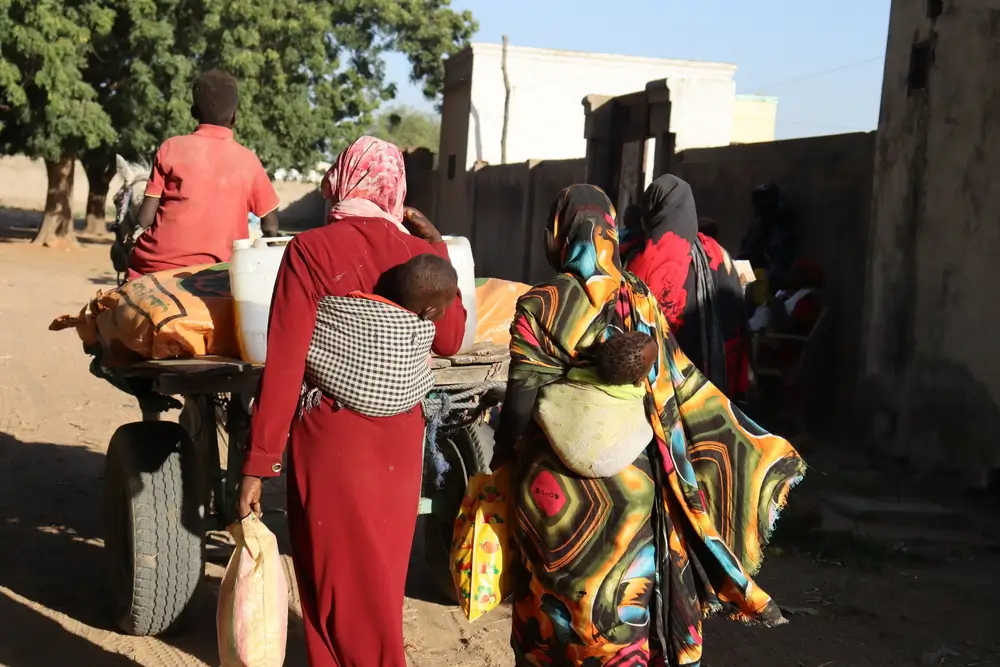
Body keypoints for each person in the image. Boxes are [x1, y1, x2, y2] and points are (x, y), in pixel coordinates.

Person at [492, 184, 805, 666]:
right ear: (609, 231)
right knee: (624, 590)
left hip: (551, 484)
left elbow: (519, 400)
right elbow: (669, 377)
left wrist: (503, 459)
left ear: (558, 233)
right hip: (634, 474)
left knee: (550, 597)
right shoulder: (638, 295)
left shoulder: (542, 302)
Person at [236, 136, 466, 667]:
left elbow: (286, 363)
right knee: (380, 579)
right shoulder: (419, 253)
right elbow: (450, 340)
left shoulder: (311, 250)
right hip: (400, 437)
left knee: (330, 580)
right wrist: (438, 249)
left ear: (345, 179)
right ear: (396, 187)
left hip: (331, 434)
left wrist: (259, 463)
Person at [128, 70, 281, 279]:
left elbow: (145, 219)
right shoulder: (248, 160)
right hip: (221, 271)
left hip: (158, 265)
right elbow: (270, 227)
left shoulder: (170, 147)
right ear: (234, 117)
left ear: (193, 112)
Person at [622, 174, 750, 400]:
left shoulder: (641, 259)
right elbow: (735, 316)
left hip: (656, 388)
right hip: (711, 382)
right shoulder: (717, 254)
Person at [738, 183, 798, 285]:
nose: (762, 211)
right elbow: (743, 259)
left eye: (766, 207)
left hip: (776, 283)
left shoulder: (784, 229)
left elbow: (783, 262)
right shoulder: (755, 231)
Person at [749, 258, 825, 335]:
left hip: (768, 338)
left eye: (793, 273)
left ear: (803, 278)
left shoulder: (807, 301)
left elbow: (790, 327)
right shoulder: (784, 293)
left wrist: (775, 304)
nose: (788, 275)